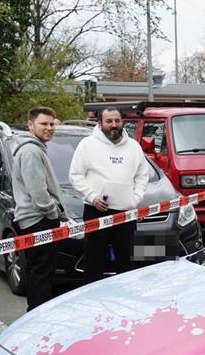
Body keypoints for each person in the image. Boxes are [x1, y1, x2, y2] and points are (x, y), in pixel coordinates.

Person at [69, 107, 150, 284]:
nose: (113, 125)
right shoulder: (87, 145)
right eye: (108, 121)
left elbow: (143, 176)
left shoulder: (134, 147)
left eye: (117, 121)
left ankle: (125, 296)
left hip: (125, 213)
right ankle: (93, 298)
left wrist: (135, 199)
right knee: (94, 261)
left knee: (126, 260)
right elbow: (75, 175)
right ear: (100, 123)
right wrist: (91, 196)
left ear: (122, 122)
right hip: (96, 211)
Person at [12, 106, 66, 311]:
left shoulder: (35, 148)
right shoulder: (31, 151)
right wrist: (53, 212)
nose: (49, 128)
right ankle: (36, 315)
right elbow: (38, 192)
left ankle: (37, 312)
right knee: (41, 274)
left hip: (38, 220)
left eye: (52, 124)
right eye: (44, 124)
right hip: (38, 220)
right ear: (30, 124)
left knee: (40, 272)